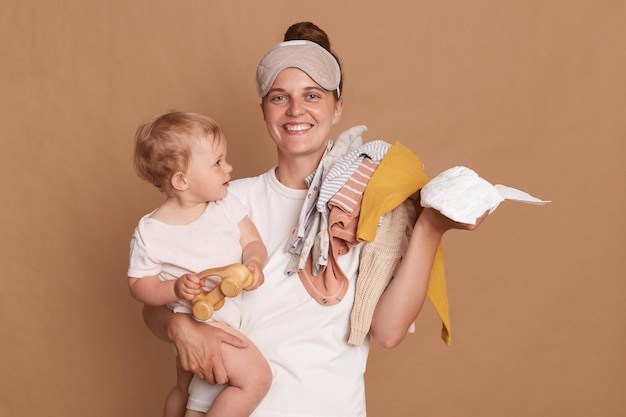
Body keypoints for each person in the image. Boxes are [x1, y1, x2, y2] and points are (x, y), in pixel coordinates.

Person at [143, 22, 488, 417]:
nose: (295, 110)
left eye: (312, 95)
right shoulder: (224, 202)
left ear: (337, 108)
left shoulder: (368, 205)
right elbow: (156, 302)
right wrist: (179, 328)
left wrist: (430, 228)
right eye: (279, 97)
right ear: (263, 110)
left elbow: (389, 332)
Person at [127, 111, 271, 417]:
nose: (228, 167)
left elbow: (252, 242)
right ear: (181, 180)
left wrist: (254, 264)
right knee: (256, 379)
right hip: (201, 323)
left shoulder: (226, 205)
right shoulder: (151, 231)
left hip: (212, 322)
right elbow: (140, 285)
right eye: (217, 162)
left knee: (186, 390)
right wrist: (174, 289)